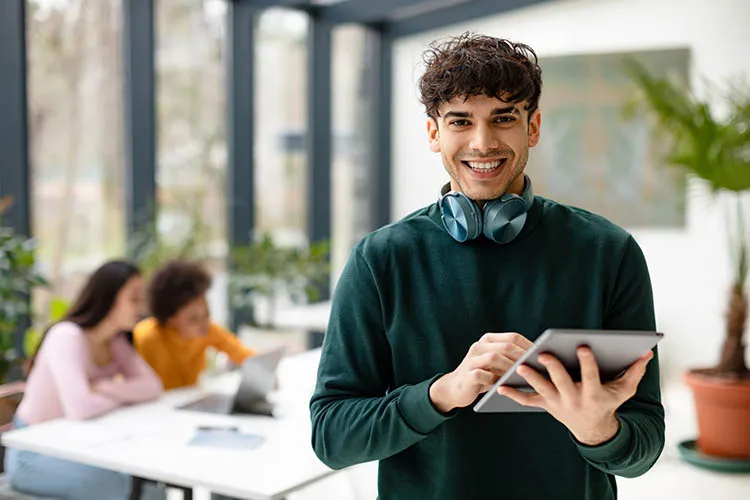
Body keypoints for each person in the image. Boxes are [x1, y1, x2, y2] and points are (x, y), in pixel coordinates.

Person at [309, 32, 665, 500]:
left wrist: (598, 428)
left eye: (503, 118)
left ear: (532, 127)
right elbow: (332, 438)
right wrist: (439, 394)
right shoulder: (380, 259)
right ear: (434, 133)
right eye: (460, 121)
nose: (483, 142)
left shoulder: (608, 252)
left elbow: (643, 447)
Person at [5, 260, 164, 500]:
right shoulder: (66, 336)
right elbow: (80, 408)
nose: (140, 309)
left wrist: (103, 388)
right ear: (108, 297)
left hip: (77, 448)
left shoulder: (116, 342)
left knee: (147, 479)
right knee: (119, 484)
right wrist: (121, 395)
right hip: (32, 455)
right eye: (133, 299)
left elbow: (153, 387)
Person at [133, 260, 255, 390]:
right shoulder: (145, 337)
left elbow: (244, 355)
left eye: (207, 313)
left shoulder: (210, 330)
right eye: (193, 319)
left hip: (185, 400)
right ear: (169, 318)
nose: (204, 323)